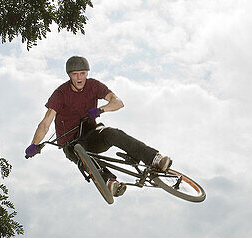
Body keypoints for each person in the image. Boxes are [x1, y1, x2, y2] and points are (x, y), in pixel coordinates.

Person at [24, 56, 171, 198]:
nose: (79, 78)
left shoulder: (93, 85)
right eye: (75, 74)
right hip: (71, 142)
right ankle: (108, 181)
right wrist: (34, 145)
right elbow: (45, 123)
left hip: (92, 134)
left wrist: (101, 109)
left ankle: (154, 158)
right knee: (80, 153)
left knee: (112, 133)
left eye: (82, 73)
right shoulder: (61, 93)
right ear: (69, 75)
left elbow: (118, 102)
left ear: (87, 73)